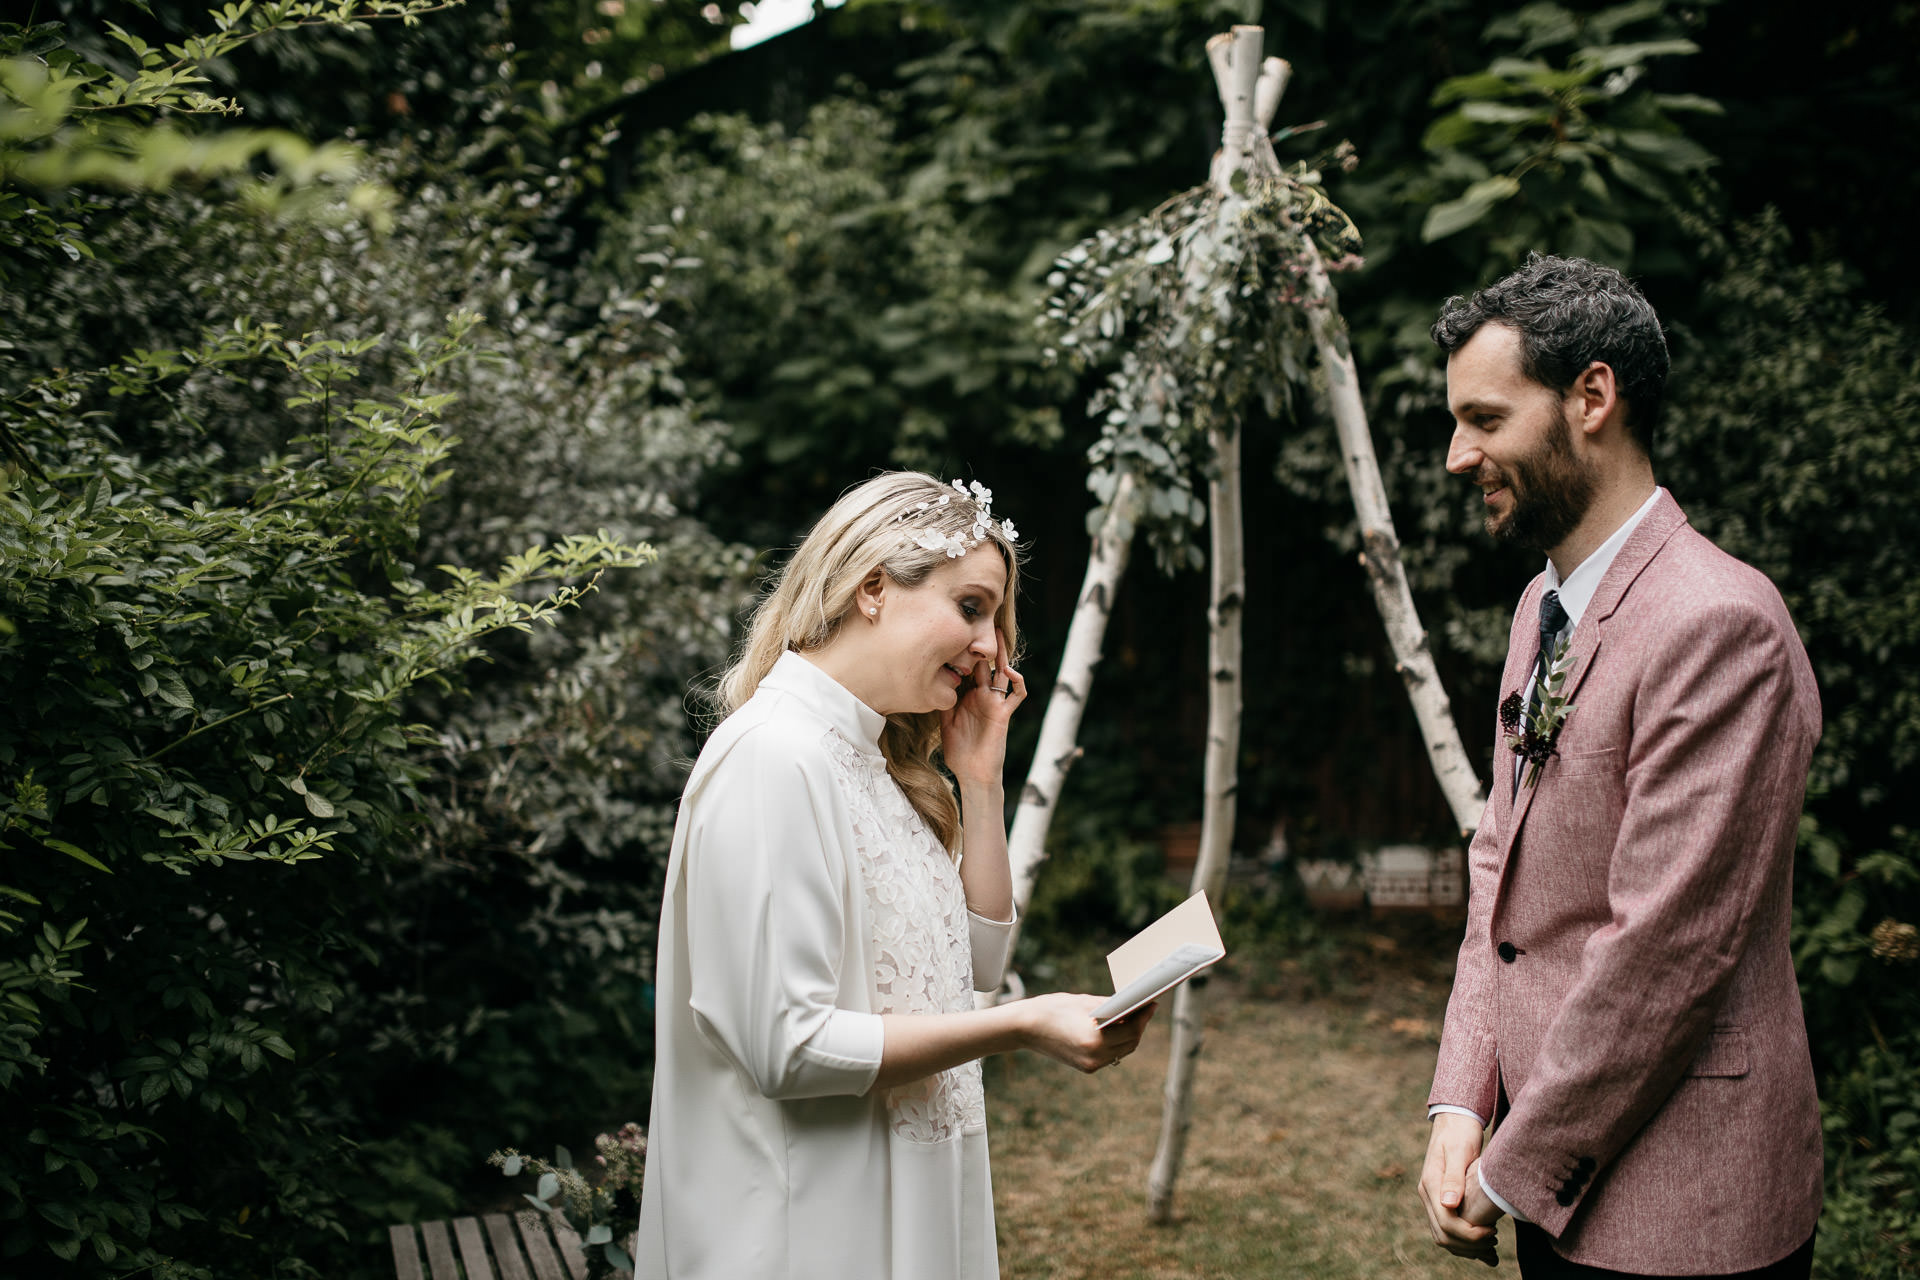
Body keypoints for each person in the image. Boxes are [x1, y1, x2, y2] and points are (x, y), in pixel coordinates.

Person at [634, 471, 1154, 1280]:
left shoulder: (875, 765)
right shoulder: (776, 758)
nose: (992, 647)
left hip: (910, 1196)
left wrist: (979, 782)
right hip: (806, 1223)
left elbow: (976, 964)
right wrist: (1020, 1025)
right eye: (972, 607)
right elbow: (788, 1046)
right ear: (872, 588)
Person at [1416, 255, 1823, 1278]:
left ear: (1592, 395)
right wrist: (1464, 1100)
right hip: (1541, 1174)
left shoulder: (1718, 623)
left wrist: (1517, 1161)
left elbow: (1667, 948)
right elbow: (1498, 869)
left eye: (1486, 417)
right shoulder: (1540, 607)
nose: (1458, 454)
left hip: (1683, 1206)